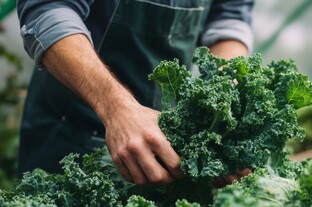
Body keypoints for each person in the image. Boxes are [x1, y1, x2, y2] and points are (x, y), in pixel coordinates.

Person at [17, 0, 254, 186]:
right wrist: (116, 108)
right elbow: (48, 9)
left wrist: (223, 114)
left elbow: (227, 20)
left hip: (162, 144)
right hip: (71, 126)